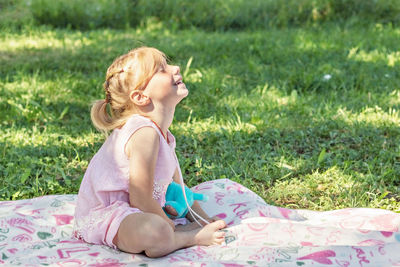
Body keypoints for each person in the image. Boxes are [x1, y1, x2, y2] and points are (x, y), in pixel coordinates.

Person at [73, 47, 227, 258]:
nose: (176, 68)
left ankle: (179, 232)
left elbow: (178, 187)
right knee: (156, 230)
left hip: (132, 212)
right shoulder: (143, 132)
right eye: (162, 70)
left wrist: (202, 218)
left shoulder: (161, 133)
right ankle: (186, 238)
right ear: (140, 96)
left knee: (158, 225)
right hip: (107, 216)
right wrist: (171, 226)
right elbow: (140, 197)